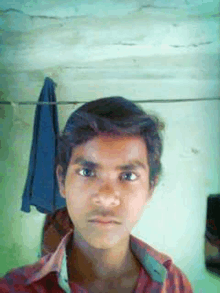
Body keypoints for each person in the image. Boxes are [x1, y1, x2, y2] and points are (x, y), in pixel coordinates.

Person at [0, 97, 193, 292]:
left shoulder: (173, 284)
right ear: (61, 181)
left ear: (150, 188)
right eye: (87, 172)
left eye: (128, 176)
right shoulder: (15, 287)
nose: (106, 198)